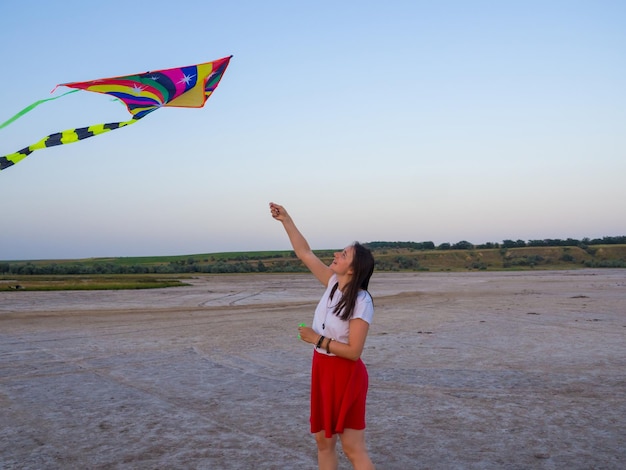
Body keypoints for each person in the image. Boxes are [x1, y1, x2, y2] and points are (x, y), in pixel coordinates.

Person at [269, 202, 376, 470]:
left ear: (352, 269)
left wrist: (316, 339)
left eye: (344, 254)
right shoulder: (331, 283)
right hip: (323, 369)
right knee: (323, 442)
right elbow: (304, 252)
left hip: (346, 374)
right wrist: (286, 220)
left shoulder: (361, 300)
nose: (336, 254)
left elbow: (354, 352)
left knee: (352, 447)